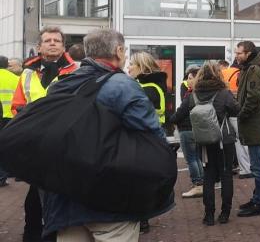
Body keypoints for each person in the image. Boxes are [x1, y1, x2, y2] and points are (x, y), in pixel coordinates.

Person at [41, 28, 170, 240]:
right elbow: (152, 138)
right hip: (111, 201)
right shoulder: (124, 86)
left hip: (66, 200)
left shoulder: (60, 84)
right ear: (119, 50)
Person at [12, 26, 78, 242]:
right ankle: (36, 234)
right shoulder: (28, 72)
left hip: (64, 144)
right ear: (39, 46)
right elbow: (17, 105)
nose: (52, 43)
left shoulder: (75, 71)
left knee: (58, 194)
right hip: (35, 144)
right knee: (35, 197)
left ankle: (54, 233)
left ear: (63, 46)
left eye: (56, 40)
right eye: (47, 40)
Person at [173, 61, 240, 226]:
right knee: (225, 175)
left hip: (204, 141)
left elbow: (177, 116)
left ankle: (208, 215)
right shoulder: (224, 93)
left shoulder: (193, 95)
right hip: (224, 140)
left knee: (209, 176)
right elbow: (236, 110)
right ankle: (224, 214)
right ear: (219, 75)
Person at [127, 51, 169, 233]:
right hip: (150, 137)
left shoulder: (147, 88)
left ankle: (141, 219)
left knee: (139, 181)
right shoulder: (150, 85)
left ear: (141, 68)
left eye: (132, 65)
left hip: (145, 138)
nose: (128, 68)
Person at [234, 40, 260, 217]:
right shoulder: (250, 69)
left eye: (239, 53)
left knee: (257, 166)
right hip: (251, 123)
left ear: (248, 53)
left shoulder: (254, 70)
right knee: (256, 166)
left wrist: (241, 113)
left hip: (254, 125)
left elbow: (253, 97)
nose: (236, 56)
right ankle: (257, 198)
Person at [169, 66, 205, 199]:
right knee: (197, 157)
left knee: (191, 159)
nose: (188, 81)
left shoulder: (191, 94)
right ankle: (202, 183)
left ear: (197, 79)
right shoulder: (202, 93)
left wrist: (171, 119)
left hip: (187, 129)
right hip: (196, 129)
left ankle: (198, 184)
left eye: (190, 78)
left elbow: (181, 112)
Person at [0, 55, 20, 187]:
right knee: (7, 146)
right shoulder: (16, 78)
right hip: (12, 116)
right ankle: (4, 175)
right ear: (7, 65)